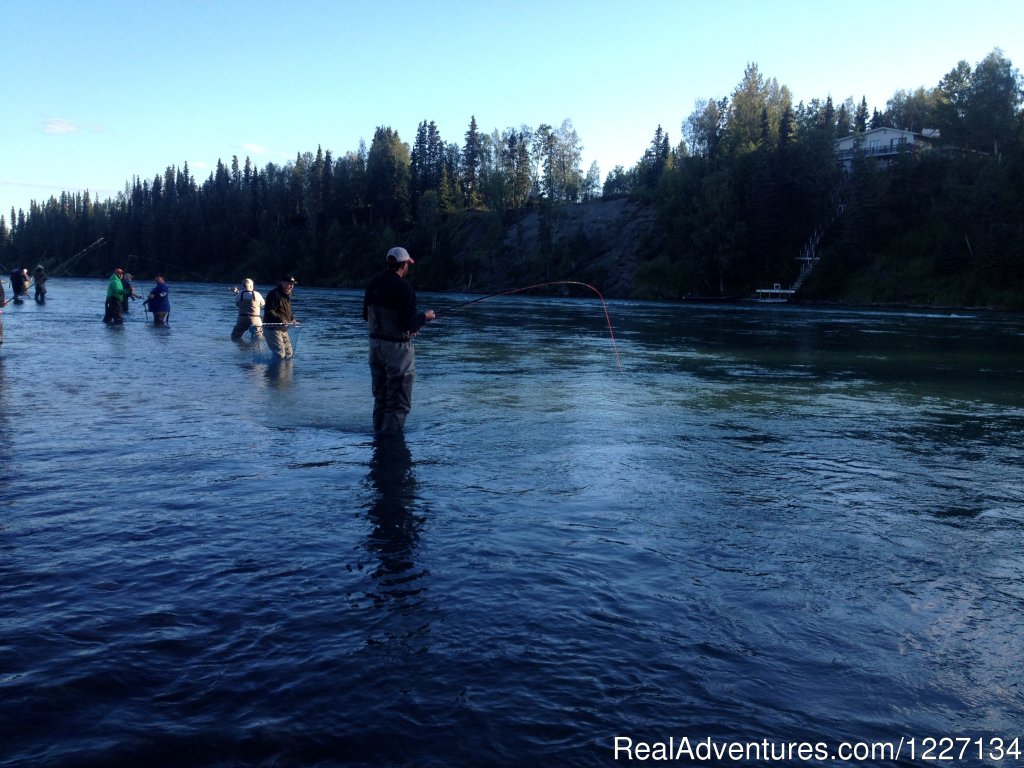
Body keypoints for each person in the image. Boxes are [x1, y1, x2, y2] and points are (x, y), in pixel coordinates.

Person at [362, 246, 435, 435]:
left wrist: (403, 328)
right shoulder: (404, 287)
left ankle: (378, 436)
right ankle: (390, 444)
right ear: (404, 265)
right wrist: (426, 317)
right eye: (408, 264)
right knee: (399, 402)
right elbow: (410, 323)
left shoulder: (373, 284)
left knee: (381, 398)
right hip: (397, 351)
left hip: (375, 346)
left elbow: (365, 316)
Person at [264, 275, 298, 358]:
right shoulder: (274, 294)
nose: (291, 286)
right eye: (289, 284)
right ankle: (276, 370)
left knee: (289, 354)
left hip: (283, 328)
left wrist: (292, 319)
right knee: (280, 354)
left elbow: (287, 310)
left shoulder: (287, 294)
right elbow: (270, 311)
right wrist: (281, 319)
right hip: (272, 328)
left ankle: (286, 371)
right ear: (282, 283)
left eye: (293, 284)